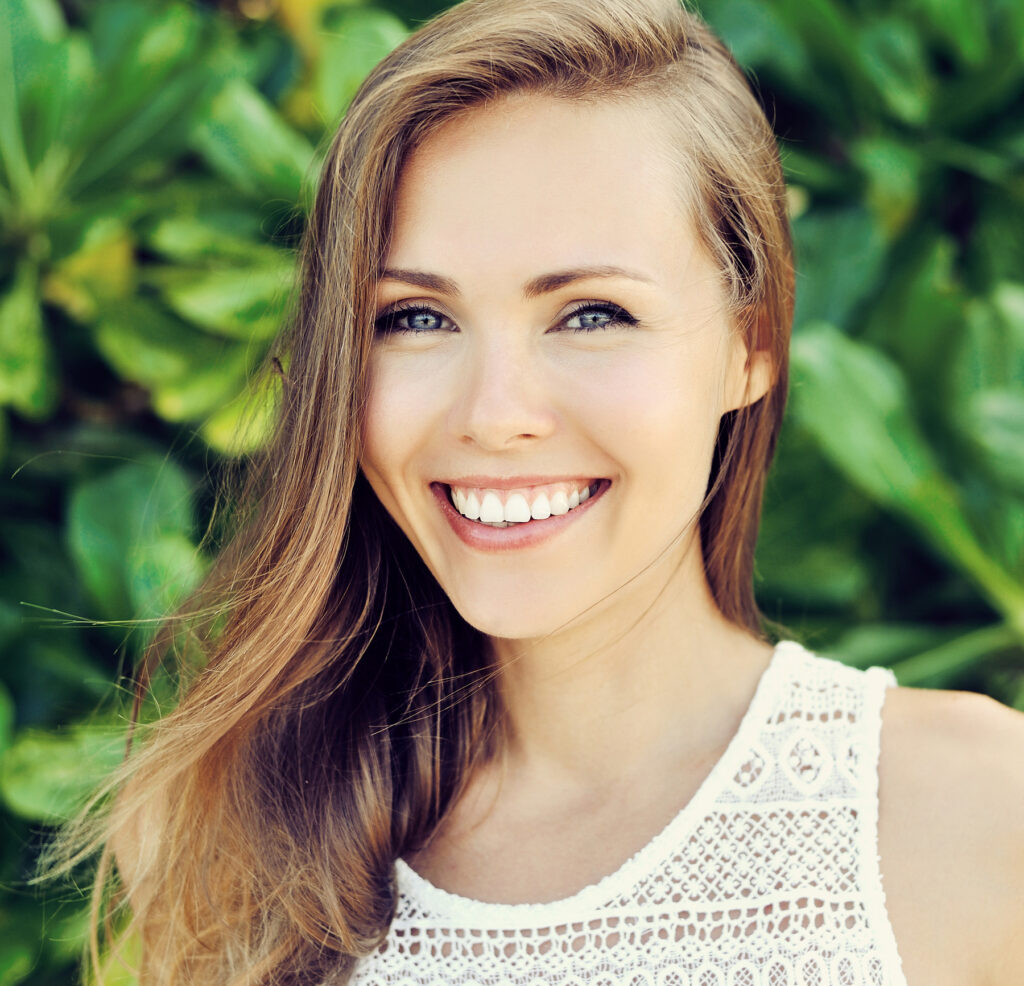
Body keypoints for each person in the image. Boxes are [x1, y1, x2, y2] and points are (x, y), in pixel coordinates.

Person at [59, 0, 1024, 984]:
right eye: (417, 316)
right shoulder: (222, 837)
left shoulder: (979, 815)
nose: (494, 411)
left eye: (590, 312)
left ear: (752, 345)